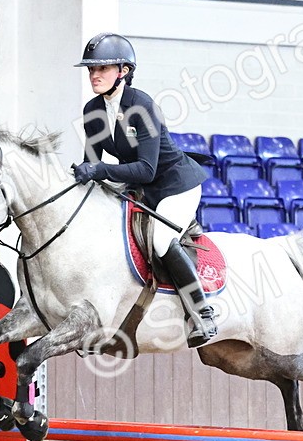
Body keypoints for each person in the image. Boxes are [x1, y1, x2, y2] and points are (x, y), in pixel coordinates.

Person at [71, 32, 217, 348]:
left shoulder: (141, 106)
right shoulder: (92, 111)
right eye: (91, 70)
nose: (94, 75)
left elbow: (147, 169)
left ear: (123, 71)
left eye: (102, 69)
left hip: (175, 185)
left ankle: (202, 313)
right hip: (141, 187)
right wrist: (81, 177)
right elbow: (93, 164)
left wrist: (100, 170)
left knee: (162, 240)